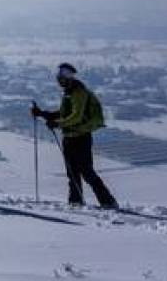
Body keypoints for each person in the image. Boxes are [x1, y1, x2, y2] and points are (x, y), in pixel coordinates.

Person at [31, 63, 117, 208]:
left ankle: (107, 201)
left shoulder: (78, 93)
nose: (60, 78)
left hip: (80, 138)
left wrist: (57, 123)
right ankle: (76, 202)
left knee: (86, 172)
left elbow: (76, 117)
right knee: (73, 173)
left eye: (63, 75)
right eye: (60, 75)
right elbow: (64, 114)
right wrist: (43, 114)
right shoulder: (69, 92)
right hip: (71, 138)